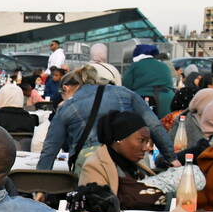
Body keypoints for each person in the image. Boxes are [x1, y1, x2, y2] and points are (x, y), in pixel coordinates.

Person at [37, 65, 174, 170]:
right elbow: (154, 125)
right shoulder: (125, 93)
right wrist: (172, 158)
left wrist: (40, 185)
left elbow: (50, 148)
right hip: (129, 163)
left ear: (67, 88)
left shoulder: (67, 107)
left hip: (89, 166)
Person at [79, 110, 200, 211]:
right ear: (120, 139)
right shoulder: (95, 166)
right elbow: (98, 211)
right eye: (142, 140)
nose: (147, 147)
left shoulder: (137, 162)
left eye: (148, 141)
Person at [123, 44, 176, 117]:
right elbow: (170, 84)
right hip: (167, 103)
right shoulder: (164, 66)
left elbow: (126, 86)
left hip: (144, 102)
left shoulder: (135, 66)